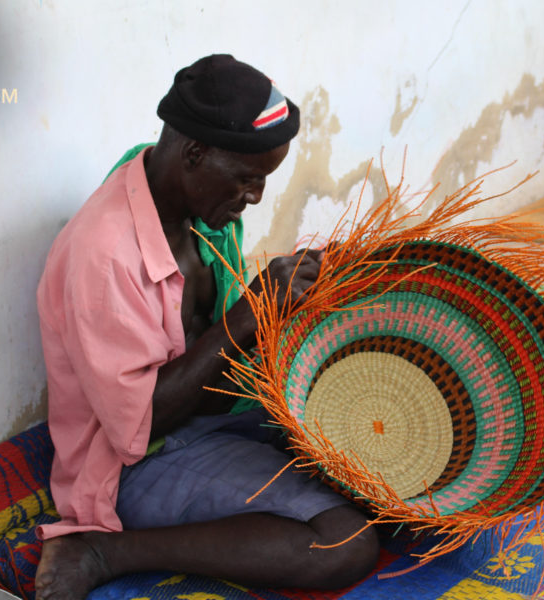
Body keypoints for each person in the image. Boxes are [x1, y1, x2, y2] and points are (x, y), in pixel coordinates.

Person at [33, 55, 379, 600]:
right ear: (194, 154)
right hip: (137, 462)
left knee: (386, 468)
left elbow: (217, 360)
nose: (257, 196)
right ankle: (101, 550)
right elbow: (139, 429)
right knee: (345, 542)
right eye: (248, 178)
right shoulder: (103, 258)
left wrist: (305, 300)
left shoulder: (188, 198)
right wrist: (249, 315)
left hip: (214, 414)